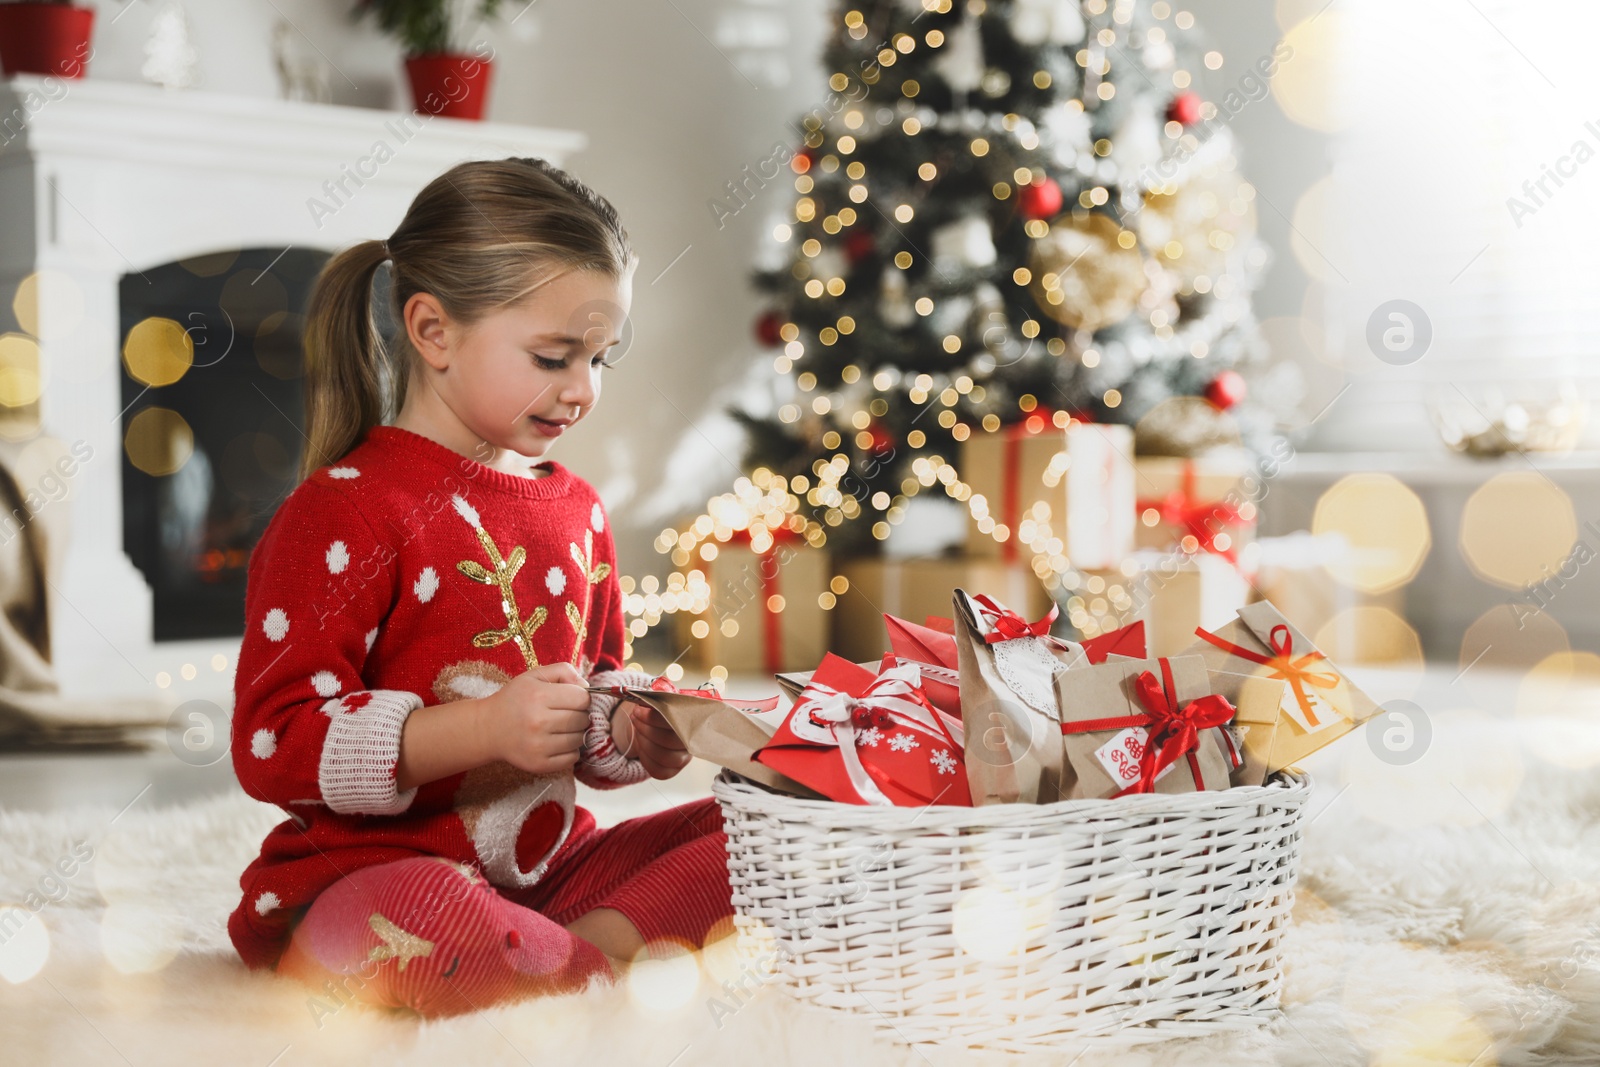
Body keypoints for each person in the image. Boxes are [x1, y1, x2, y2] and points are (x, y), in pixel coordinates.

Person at [226, 158, 730, 1017]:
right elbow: (272, 742)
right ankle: (585, 971)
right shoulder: (344, 512)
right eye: (552, 356)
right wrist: (482, 727)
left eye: (601, 358)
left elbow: (592, 682)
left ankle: (556, 965)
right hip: (370, 883)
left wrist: (627, 727)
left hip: (546, 872)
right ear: (432, 331)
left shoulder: (578, 510)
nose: (582, 388)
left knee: (750, 835)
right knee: (425, 917)